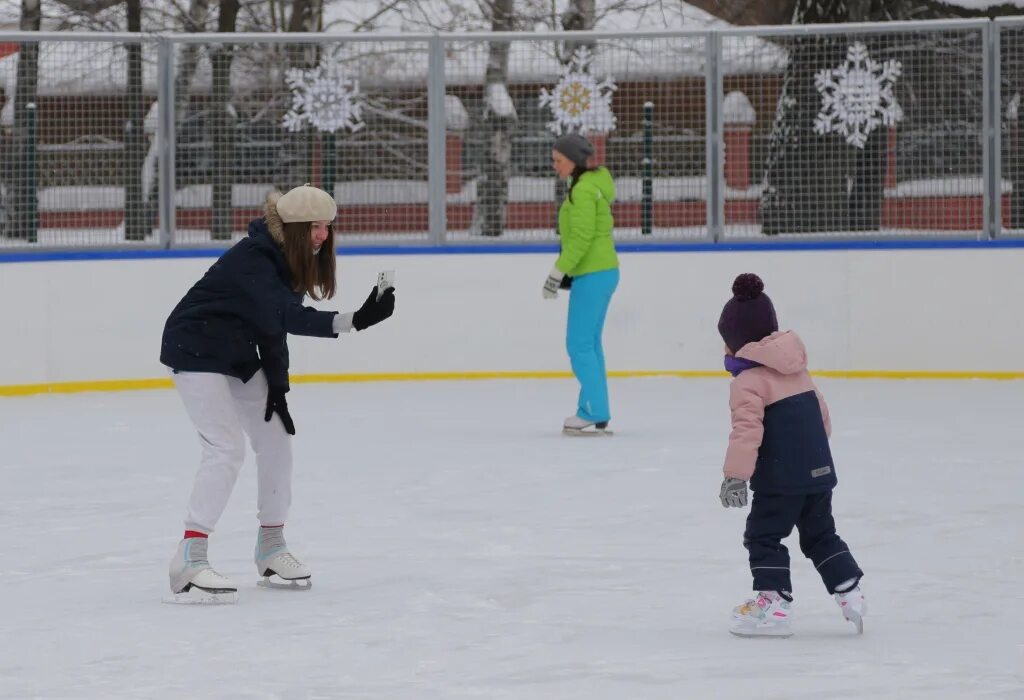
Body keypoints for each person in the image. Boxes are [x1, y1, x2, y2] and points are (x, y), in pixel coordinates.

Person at [160, 184, 396, 603]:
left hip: (237, 354)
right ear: (292, 226)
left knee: (275, 439)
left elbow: (272, 333)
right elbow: (285, 316)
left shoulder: (289, 260)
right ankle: (189, 557)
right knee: (225, 447)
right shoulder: (255, 257)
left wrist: (278, 391)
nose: (323, 236)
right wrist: (354, 320)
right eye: (315, 227)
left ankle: (271, 547)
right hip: (194, 347)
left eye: (327, 227)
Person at [717, 273, 865, 637]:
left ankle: (773, 605)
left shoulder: (747, 383)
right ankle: (850, 591)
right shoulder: (798, 370)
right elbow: (822, 417)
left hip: (780, 480)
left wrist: (735, 476)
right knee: (820, 534)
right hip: (818, 470)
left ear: (737, 343)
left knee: (763, 535)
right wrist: (813, 459)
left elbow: (746, 432)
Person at [542, 133, 620, 436]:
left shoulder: (584, 191)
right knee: (590, 345)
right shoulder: (588, 186)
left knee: (578, 345)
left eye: (558, 160)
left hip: (593, 273)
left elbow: (581, 238)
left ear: (573, 161)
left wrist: (556, 273)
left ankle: (593, 410)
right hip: (601, 271)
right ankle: (596, 410)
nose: (555, 166)